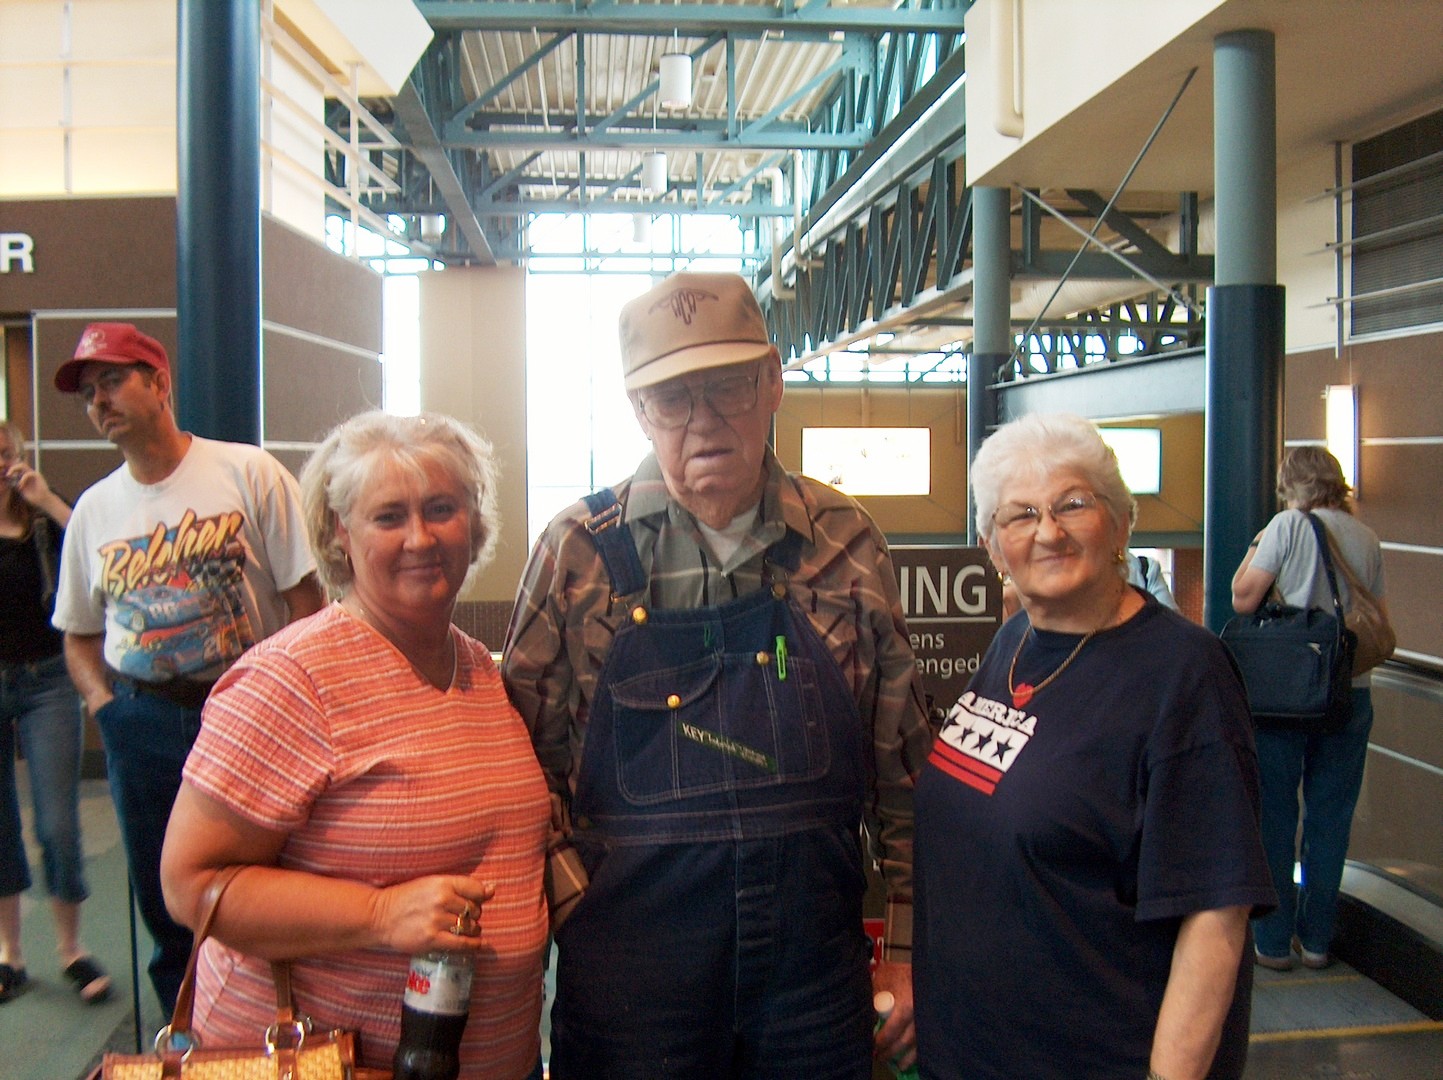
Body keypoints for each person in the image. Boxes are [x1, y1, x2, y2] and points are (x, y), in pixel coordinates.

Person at [503, 271, 932, 1080]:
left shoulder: (845, 542)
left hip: (812, 979)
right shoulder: (577, 552)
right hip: (632, 980)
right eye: (671, 398)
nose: (702, 419)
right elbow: (518, 766)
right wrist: (577, 906)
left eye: (728, 386)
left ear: (771, 382)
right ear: (639, 410)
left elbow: (903, 772)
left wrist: (909, 951)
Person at [160, 410, 549, 1078]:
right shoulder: (290, 679)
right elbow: (190, 885)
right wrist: (379, 913)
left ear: (473, 520)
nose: (420, 537)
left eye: (442, 509)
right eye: (389, 517)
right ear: (341, 533)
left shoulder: (479, 670)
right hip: (325, 1059)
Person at [914, 413, 1275, 1080]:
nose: (1048, 531)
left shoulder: (1183, 673)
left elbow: (1214, 913)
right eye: (1020, 515)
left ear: (1121, 523)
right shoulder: (1014, 642)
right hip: (970, 1053)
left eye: (1073, 504)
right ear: (992, 547)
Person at [50, 322, 325, 1012]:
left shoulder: (247, 473)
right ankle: (185, 1035)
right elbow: (78, 636)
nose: (98, 401)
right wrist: (107, 711)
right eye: (88, 393)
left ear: (160, 383)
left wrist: (285, 701)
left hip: (245, 713)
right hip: (141, 719)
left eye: (112, 381)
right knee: (164, 898)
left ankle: (273, 1028)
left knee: (267, 885)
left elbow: (306, 600)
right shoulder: (94, 512)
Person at [1230, 445, 1387, 972]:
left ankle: (1274, 943)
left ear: (1291, 485)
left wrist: (1258, 544)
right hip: (1349, 692)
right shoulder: (1366, 537)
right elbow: (1377, 617)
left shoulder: (1287, 526)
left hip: (1286, 694)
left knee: (1275, 815)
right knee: (1331, 818)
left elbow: (1243, 598)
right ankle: (1318, 940)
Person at [0, 421, 111, 1005]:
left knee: (58, 824)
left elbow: (98, 554)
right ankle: (10, 954)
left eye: (4, 455)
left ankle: (71, 949)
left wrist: (44, 498)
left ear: (19, 456)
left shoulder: (45, 516)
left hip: (47, 679)